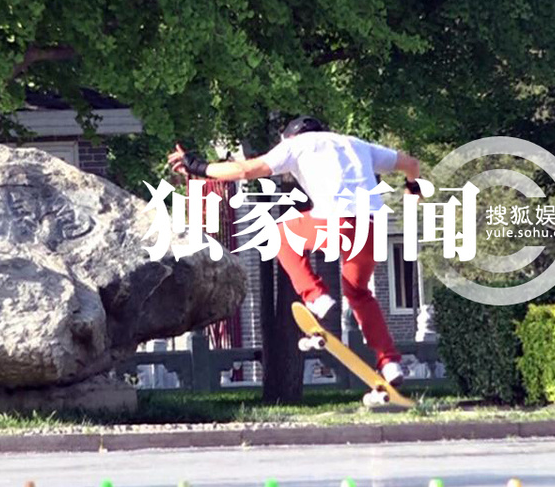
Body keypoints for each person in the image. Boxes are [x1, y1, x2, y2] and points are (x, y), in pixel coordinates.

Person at [167, 116, 422, 385]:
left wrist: (198, 166)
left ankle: (316, 297)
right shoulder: (357, 144)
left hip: (337, 223)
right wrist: (412, 189)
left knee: (279, 234)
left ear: (289, 137)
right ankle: (390, 362)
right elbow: (412, 165)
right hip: (372, 228)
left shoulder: (295, 145)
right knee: (358, 292)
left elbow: (245, 170)